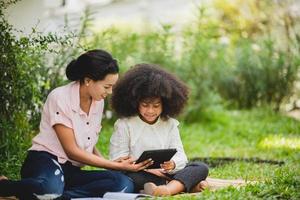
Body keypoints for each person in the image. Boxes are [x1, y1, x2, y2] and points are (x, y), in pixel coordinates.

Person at [0, 49, 151, 200]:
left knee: (122, 183)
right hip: (45, 161)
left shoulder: (97, 101)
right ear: (88, 80)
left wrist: (108, 164)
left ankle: (56, 196)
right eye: (106, 86)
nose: (110, 92)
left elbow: (88, 142)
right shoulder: (60, 97)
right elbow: (71, 150)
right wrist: (116, 166)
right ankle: (7, 187)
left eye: (112, 86)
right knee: (49, 188)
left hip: (72, 170)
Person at [109, 63, 209, 196]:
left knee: (200, 167)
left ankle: (166, 190)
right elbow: (117, 159)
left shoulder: (170, 124)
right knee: (130, 178)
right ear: (135, 102)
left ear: (165, 105)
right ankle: (184, 186)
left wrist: (173, 164)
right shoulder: (124, 124)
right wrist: (145, 168)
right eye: (145, 105)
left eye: (156, 106)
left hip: (166, 173)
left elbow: (181, 156)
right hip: (138, 173)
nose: (150, 111)